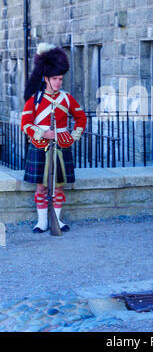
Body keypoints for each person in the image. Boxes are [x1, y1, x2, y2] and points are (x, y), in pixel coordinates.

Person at [21, 43, 87, 233]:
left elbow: (81, 118)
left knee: (58, 188)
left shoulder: (67, 98)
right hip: (40, 146)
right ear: (46, 78)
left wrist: (73, 136)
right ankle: (42, 222)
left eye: (60, 78)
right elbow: (25, 123)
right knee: (41, 188)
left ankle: (57, 220)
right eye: (55, 79)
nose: (59, 82)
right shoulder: (35, 99)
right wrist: (42, 133)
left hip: (61, 147)